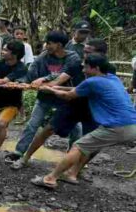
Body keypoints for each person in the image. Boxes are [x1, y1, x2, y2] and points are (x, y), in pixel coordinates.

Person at [31, 54, 136, 189]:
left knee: (78, 147)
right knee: (88, 146)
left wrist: (49, 89)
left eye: (86, 67)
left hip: (116, 126)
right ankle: (71, 173)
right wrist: (56, 88)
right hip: (132, 126)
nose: (83, 71)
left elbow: (68, 96)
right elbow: (78, 89)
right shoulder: (113, 79)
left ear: (96, 68)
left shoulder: (92, 82)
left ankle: (50, 178)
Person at [5, 31, 83, 166]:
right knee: (32, 125)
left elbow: (61, 76)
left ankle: (72, 156)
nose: (46, 46)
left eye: (49, 43)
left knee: (76, 129)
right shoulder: (43, 56)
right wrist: (18, 82)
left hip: (65, 99)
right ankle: (18, 152)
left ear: (59, 45)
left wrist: (43, 79)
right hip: (45, 97)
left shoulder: (73, 57)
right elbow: (31, 73)